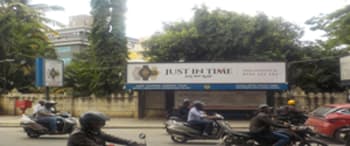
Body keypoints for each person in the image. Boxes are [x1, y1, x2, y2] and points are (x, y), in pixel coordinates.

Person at [67, 111, 141, 146]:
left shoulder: (94, 132)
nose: (101, 126)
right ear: (90, 124)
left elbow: (111, 138)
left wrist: (131, 143)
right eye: (98, 124)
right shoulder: (77, 135)